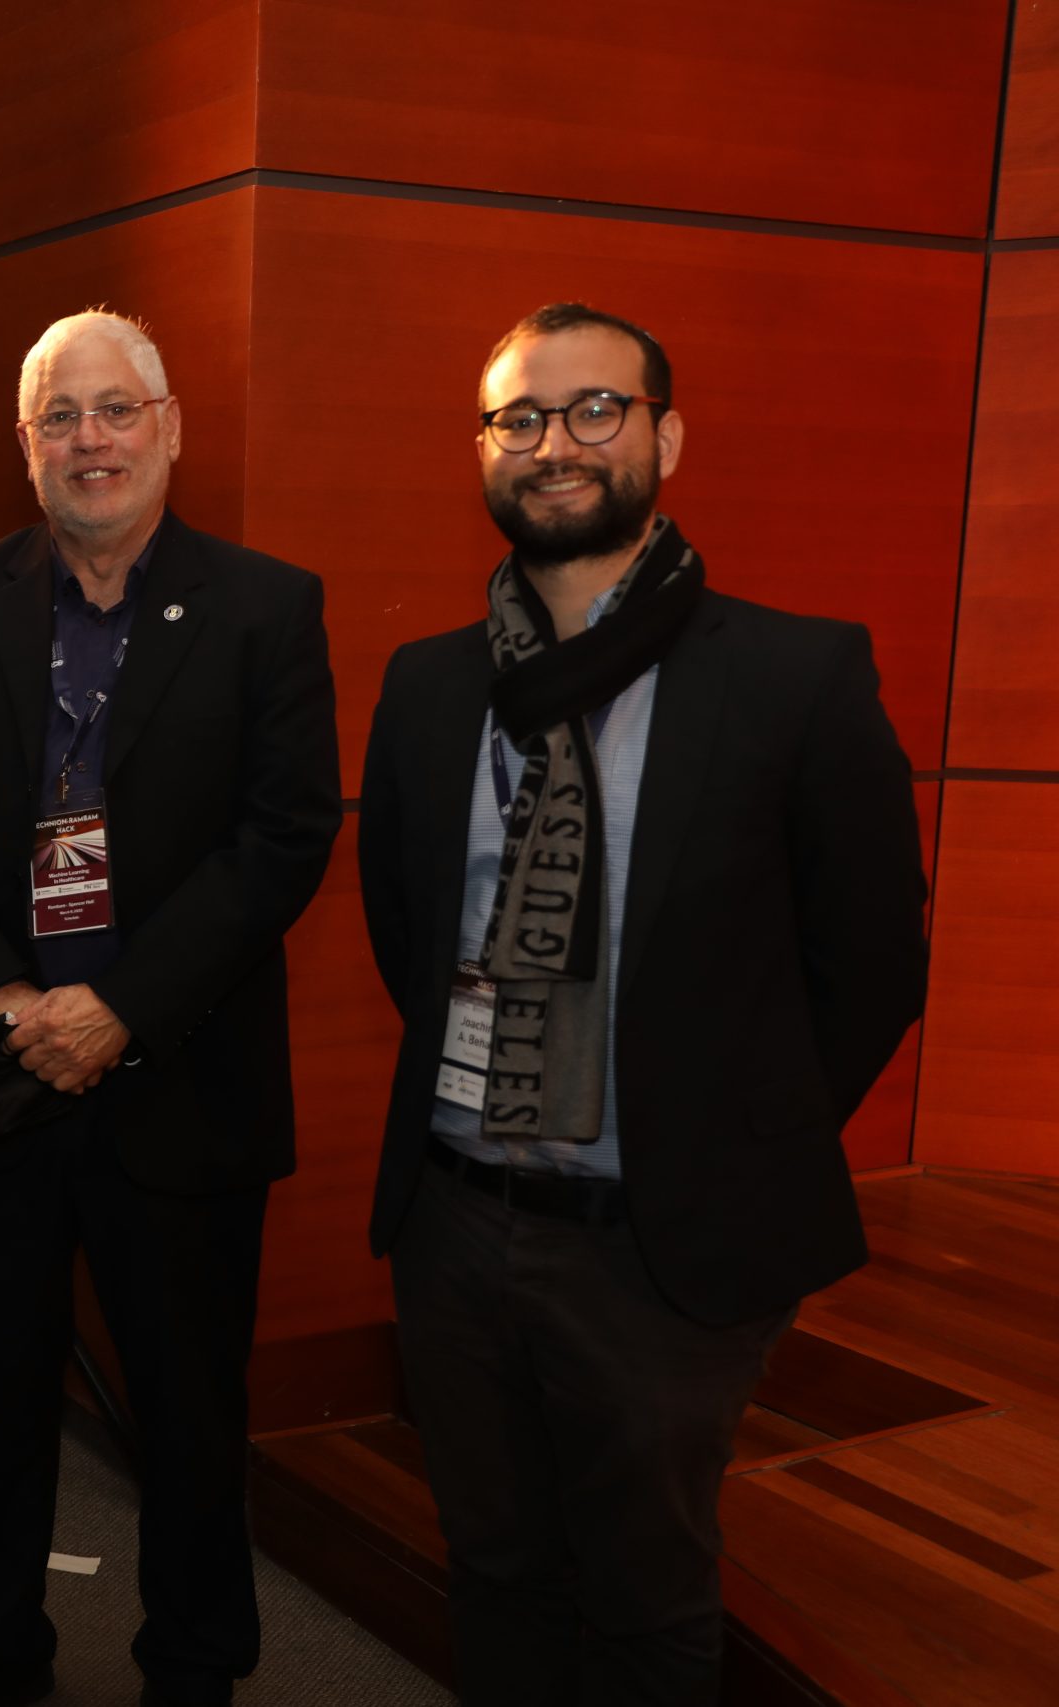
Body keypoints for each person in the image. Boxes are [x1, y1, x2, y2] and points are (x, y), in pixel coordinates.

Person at [357, 302, 929, 1705]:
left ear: (666, 438)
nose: (555, 443)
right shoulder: (427, 687)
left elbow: (871, 963)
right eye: (520, 417)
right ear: (483, 450)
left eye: (595, 408)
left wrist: (729, 1140)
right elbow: (407, 934)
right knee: (493, 1569)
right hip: (455, 1224)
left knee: (648, 1595)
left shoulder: (792, 675)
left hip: (660, 1248)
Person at [0, 309, 341, 1707]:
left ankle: (194, 1663)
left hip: (180, 1076)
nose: (91, 439)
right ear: (27, 446)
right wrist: (14, 1000)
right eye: (60, 416)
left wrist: (119, 1007)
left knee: (189, 1409)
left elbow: (283, 837)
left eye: (117, 408)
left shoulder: (265, 607)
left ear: (169, 426)